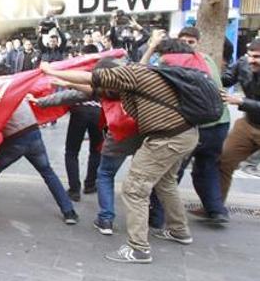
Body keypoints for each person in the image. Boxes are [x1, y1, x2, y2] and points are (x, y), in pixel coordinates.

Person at [42, 43, 199, 264]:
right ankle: (179, 231)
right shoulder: (145, 73)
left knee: (134, 189)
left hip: (166, 138)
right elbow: (94, 89)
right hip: (186, 133)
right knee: (166, 183)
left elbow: (90, 81)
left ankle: (138, 249)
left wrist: (51, 71)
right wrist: (64, 81)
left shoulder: (128, 74)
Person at [0, 64, 79, 224]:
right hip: (34, 134)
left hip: (15, 139)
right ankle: (69, 212)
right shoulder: (16, 88)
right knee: (48, 173)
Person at [144, 29, 231, 225]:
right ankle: (216, 210)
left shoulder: (173, 62)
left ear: (197, 42)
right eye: (183, 41)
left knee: (168, 175)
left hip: (195, 127)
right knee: (207, 168)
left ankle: (157, 217)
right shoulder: (206, 60)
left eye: (190, 41)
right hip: (219, 123)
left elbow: (143, 75)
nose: (186, 45)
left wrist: (151, 48)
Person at [35, 44, 103, 202]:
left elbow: (69, 95)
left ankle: (74, 190)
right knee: (96, 150)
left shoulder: (79, 72)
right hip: (99, 113)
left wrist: (41, 101)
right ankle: (90, 184)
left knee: (72, 152)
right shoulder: (104, 70)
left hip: (80, 112)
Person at [219, 38, 260, 203]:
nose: (252, 61)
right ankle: (215, 207)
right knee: (223, 161)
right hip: (248, 124)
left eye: (257, 57)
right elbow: (227, 79)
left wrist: (241, 102)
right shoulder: (243, 63)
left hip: (249, 112)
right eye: (250, 55)